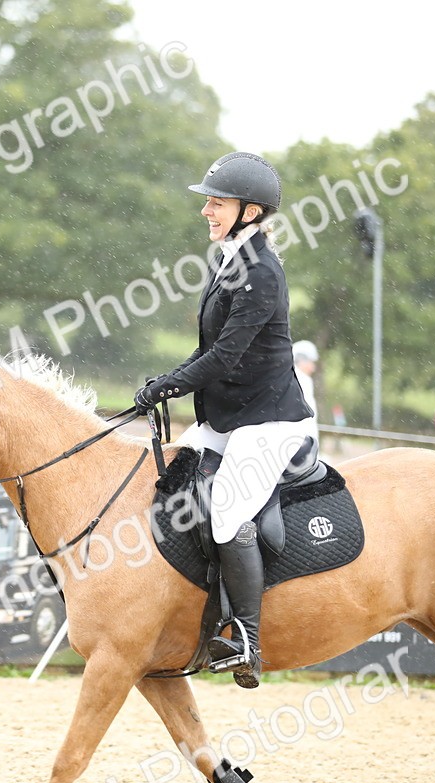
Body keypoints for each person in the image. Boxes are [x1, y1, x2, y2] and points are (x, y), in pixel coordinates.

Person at [134, 152, 313, 688]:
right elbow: (206, 350)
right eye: (208, 202)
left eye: (217, 203)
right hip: (228, 418)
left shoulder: (261, 273)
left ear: (251, 211)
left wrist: (168, 384)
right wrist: (162, 382)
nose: (207, 211)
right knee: (161, 481)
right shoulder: (227, 261)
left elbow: (226, 358)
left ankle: (247, 640)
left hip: (268, 423)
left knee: (229, 515)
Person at [292, 340, 320, 443]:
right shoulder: (302, 379)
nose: (313, 368)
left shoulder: (293, 378)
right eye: (311, 362)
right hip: (302, 440)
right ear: (301, 360)